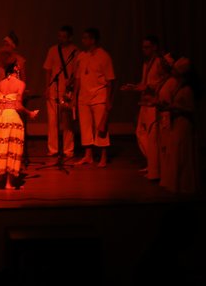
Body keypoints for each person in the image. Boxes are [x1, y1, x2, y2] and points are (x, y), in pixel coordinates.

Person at [0, 61, 38, 188]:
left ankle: (1, 177)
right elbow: (18, 105)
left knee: (1, 147)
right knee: (11, 148)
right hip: (11, 117)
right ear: (16, 70)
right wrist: (30, 113)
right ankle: (8, 183)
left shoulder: (0, 83)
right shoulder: (20, 84)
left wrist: (5, 103)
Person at [121, 35, 170, 180]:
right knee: (140, 133)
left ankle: (156, 167)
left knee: (152, 136)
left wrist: (147, 87)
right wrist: (135, 87)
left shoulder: (160, 62)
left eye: (147, 47)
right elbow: (145, 83)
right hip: (145, 102)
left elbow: (164, 81)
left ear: (155, 47)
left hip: (153, 103)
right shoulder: (146, 63)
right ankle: (152, 163)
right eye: (143, 47)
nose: (144, 50)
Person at [75, 27, 115, 167]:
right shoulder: (81, 56)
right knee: (85, 127)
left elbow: (110, 80)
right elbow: (78, 78)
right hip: (83, 97)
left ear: (93, 40)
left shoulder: (104, 56)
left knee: (101, 127)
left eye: (86, 38)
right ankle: (88, 156)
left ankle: (103, 156)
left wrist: (109, 100)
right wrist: (75, 96)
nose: (83, 40)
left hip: (99, 96)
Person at [158, 57, 199, 194]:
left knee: (182, 153)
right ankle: (178, 183)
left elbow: (190, 109)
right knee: (176, 153)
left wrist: (174, 107)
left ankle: (184, 184)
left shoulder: (187, 89)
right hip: (177, 121)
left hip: (183, 123)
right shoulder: (178, 86)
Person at [42, 25, 80, 159]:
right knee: (53, 121)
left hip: (68, 91)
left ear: (70, 37)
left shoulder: (76, 51)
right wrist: (47, 87)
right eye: (60, 36)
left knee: (67, 122)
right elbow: (48, 69)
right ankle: (53, 149)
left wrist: (73, 84)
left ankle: (68, 150)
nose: (61, 39)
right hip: (54, 89)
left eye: (64, 36)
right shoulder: (53, 50)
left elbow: (78, 71)